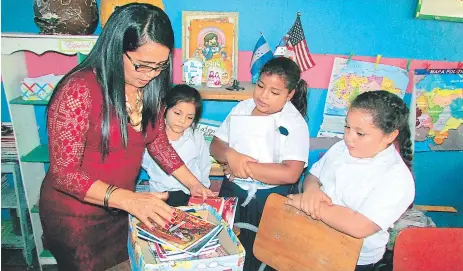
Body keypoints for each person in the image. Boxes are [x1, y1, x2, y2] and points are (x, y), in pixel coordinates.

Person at [39, 4, 213, 270]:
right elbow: (65, 174)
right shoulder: (78, 90)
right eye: (142, 65)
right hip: (76, 216)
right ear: (114, 48)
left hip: (120, 210)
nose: (150, 75)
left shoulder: (150, 87)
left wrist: (195, 184)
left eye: (159, 66)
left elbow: (156, 141)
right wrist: (129, 199)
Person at [286, 90, 415, 271]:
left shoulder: (396, 178)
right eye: (347, 127)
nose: (349, 137)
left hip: (353, 260)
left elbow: (359, 226)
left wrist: (310, 204)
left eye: (360, 133)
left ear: (389, 136)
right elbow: (313, 176)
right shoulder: (341, 148)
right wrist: (312, 191)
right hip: (315, 240)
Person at [210, 57, 310, 270]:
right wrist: (229, 154)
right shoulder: (243, 108)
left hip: (269, 199)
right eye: (261, 86)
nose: (263, 96)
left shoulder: (295, 124)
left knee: (262, 258)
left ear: (289, 94)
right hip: (233, 191)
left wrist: (241, 167)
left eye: (274, 93)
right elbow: (216, 145)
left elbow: (291, 173)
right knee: (226, 250)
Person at [141, 84, 211, 207]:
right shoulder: (151, 136)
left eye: (189, 117)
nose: (182, 121)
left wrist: (202, 190)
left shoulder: (196, 137)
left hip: (189, 195)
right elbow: (146, 164)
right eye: (177, 113)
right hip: (159, 196)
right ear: (165, 109)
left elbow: (204, 165)